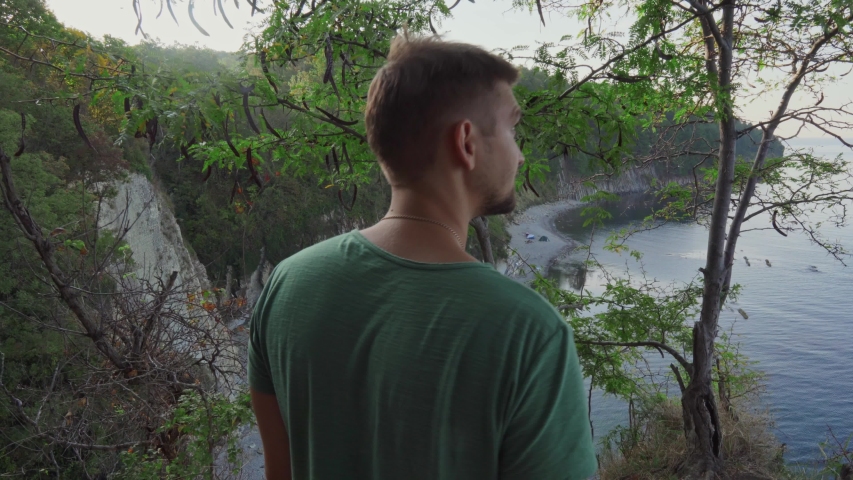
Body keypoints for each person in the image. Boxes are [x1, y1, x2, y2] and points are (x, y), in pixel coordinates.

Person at [248, 34, 597, 480]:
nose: (520, 152)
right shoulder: (528, 332)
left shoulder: (286, 285)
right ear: (467, 142)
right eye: (512, 128)